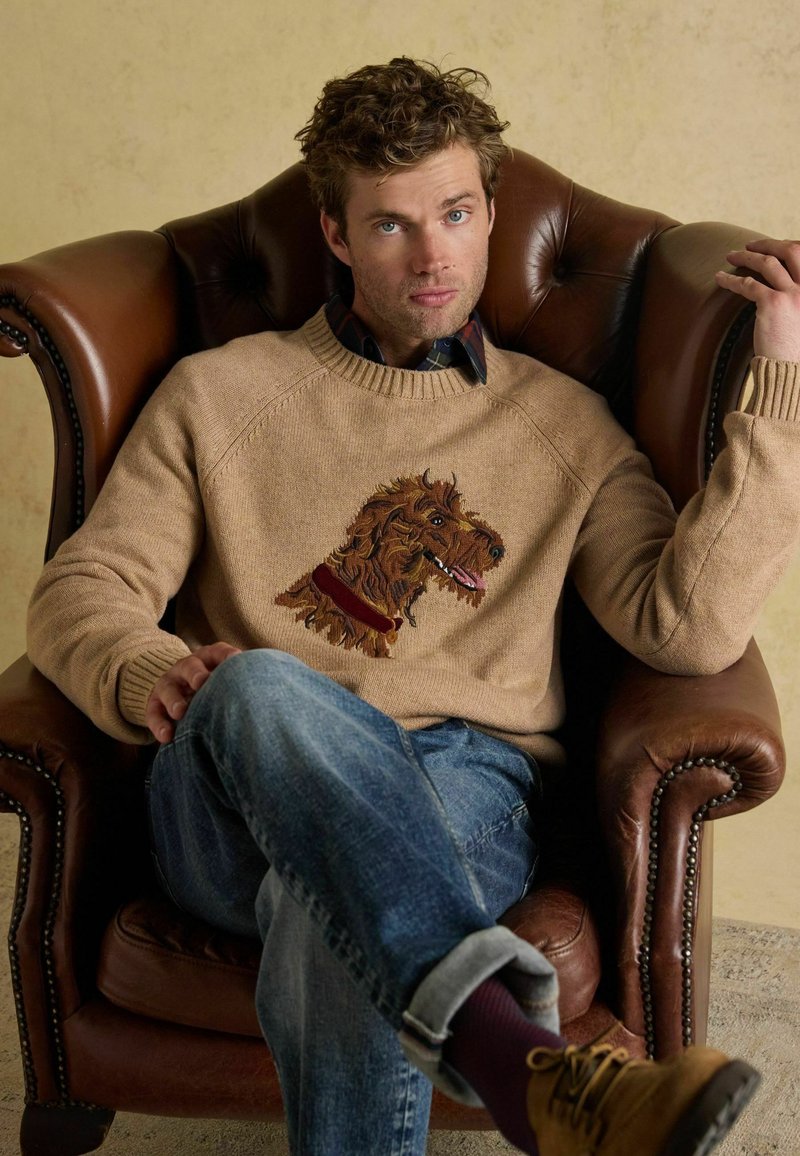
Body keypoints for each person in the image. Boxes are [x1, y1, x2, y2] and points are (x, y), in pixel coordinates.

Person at [26, 57, 800, 1156]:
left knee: (323, 909)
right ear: (336, 235)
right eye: (391, 224)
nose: (434, 256)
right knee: (258, 683)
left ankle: (523, 1072)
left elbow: (686, 628)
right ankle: (520, 1065)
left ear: (489, 212)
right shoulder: (218, 395)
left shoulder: (568, 429)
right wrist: (152, 671)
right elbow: (80, 588)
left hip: (459, 787)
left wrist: (782, 383)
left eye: (456, 213)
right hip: (229, 798)